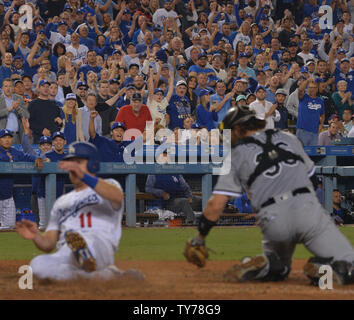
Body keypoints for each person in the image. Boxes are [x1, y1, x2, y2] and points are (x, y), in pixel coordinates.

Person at [184, 106, 354, 286]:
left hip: (273, 218)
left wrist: (198, 239)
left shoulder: (236, 155)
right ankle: (328, 270)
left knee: (278, 266)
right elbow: (312, 180)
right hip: (308, 210)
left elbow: (215, 205)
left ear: (236, 129)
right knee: (349, 263)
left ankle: (270, 266)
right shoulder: (289, 137)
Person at [15, 141, 144, 281]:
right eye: (71, 162)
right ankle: (104, 276)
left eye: (78, 162)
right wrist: (36, 236)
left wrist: (83, 175)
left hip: (98, 244)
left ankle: (84, 263)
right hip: (67, 250)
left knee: (81, 241)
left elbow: (117, 197)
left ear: (92, 164)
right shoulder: (61, 203)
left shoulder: (108, 186)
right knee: (37, 264)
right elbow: (49, 244)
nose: (73, 167)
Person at [0, 129, 43, 230]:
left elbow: (26, 156)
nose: (7, 140)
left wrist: (36, 158)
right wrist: (6, 158)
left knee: (10, 226)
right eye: (4, 137)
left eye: (9, 137)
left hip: (8, 196)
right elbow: (3, 158)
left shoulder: (14, 152)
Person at [145, 151, 202, 224]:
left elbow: (185, 186)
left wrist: (189, 196)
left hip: (182, 197)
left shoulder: (175, 171)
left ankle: (214, 220)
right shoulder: (153, 172)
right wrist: (161, 193)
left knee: (202, 200)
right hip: (169, 202)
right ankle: (192, 222)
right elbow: (148, 188)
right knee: (183, 201)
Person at [28, 80, 62, 144]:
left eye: (47, 86)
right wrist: (41, 130)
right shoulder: (33, 104)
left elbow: (57, 122)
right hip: (38, 139)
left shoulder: (54, 105)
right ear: (39, 88)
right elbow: (30, 121)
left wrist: (60, 124)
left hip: (52, 139)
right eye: (43, 86)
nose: (46, 88)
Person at [296, 79, 325, 146]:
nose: (312, 89)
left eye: (314, 88)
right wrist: (307, 81)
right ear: (307, 88)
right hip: (303, 130)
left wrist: (321, 124)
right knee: (301, 153)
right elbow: (300, 90)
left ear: (317, 89)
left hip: (315, 131)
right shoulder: (303, 97)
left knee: (313, 154)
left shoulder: (320, 100)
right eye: (310, 87)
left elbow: (322, 114)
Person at [0, 78, 29, 144]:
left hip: (17, 136)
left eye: (10, 86)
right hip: (2, 136)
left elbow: (27, 115)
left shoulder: (19, 98)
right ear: (2, 88)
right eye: (6, 86)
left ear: (13, 88)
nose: (8, 88)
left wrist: (18, 108)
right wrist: (9, 109)